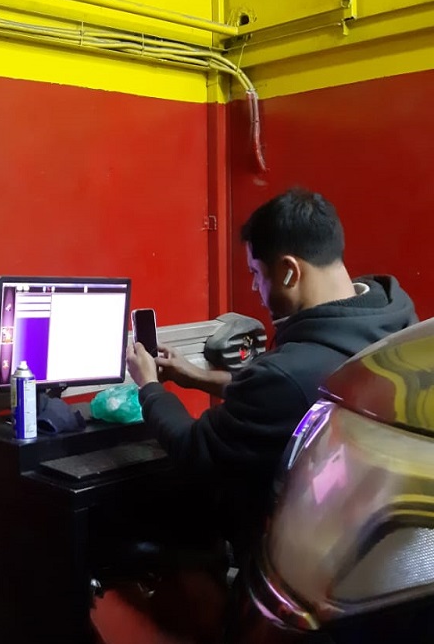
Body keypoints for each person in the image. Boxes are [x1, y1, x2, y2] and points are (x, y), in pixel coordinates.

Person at [126, 188, 417, 554]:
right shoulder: (393, 319)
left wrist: (149, 386)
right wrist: (195, 377)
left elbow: (194, 449)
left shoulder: (286, 374)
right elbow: (291, 393)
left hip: (291, 554)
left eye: (256, 273)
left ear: (290, 271)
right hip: (371, 544)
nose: (254, 287)